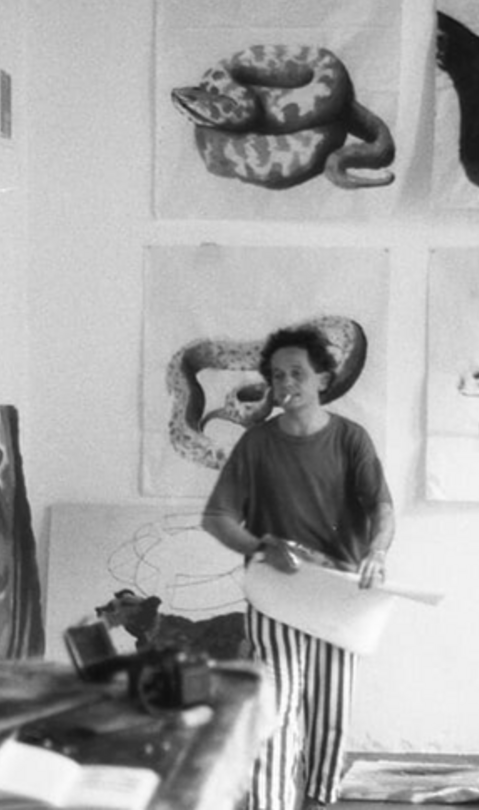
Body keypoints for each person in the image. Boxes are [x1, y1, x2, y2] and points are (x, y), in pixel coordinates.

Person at [202, 324, 394, 810]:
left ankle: (319, 799)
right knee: (274, 709)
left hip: (340, 594)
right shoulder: (257, 444)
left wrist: (377, 551)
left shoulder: (350, 439)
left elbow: (381, 507)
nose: (286, 383)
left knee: (331, 709)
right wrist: (260, 547)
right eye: (277, 375)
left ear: (323, 379)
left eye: (297, 373)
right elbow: (217, 518)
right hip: (276, 594)